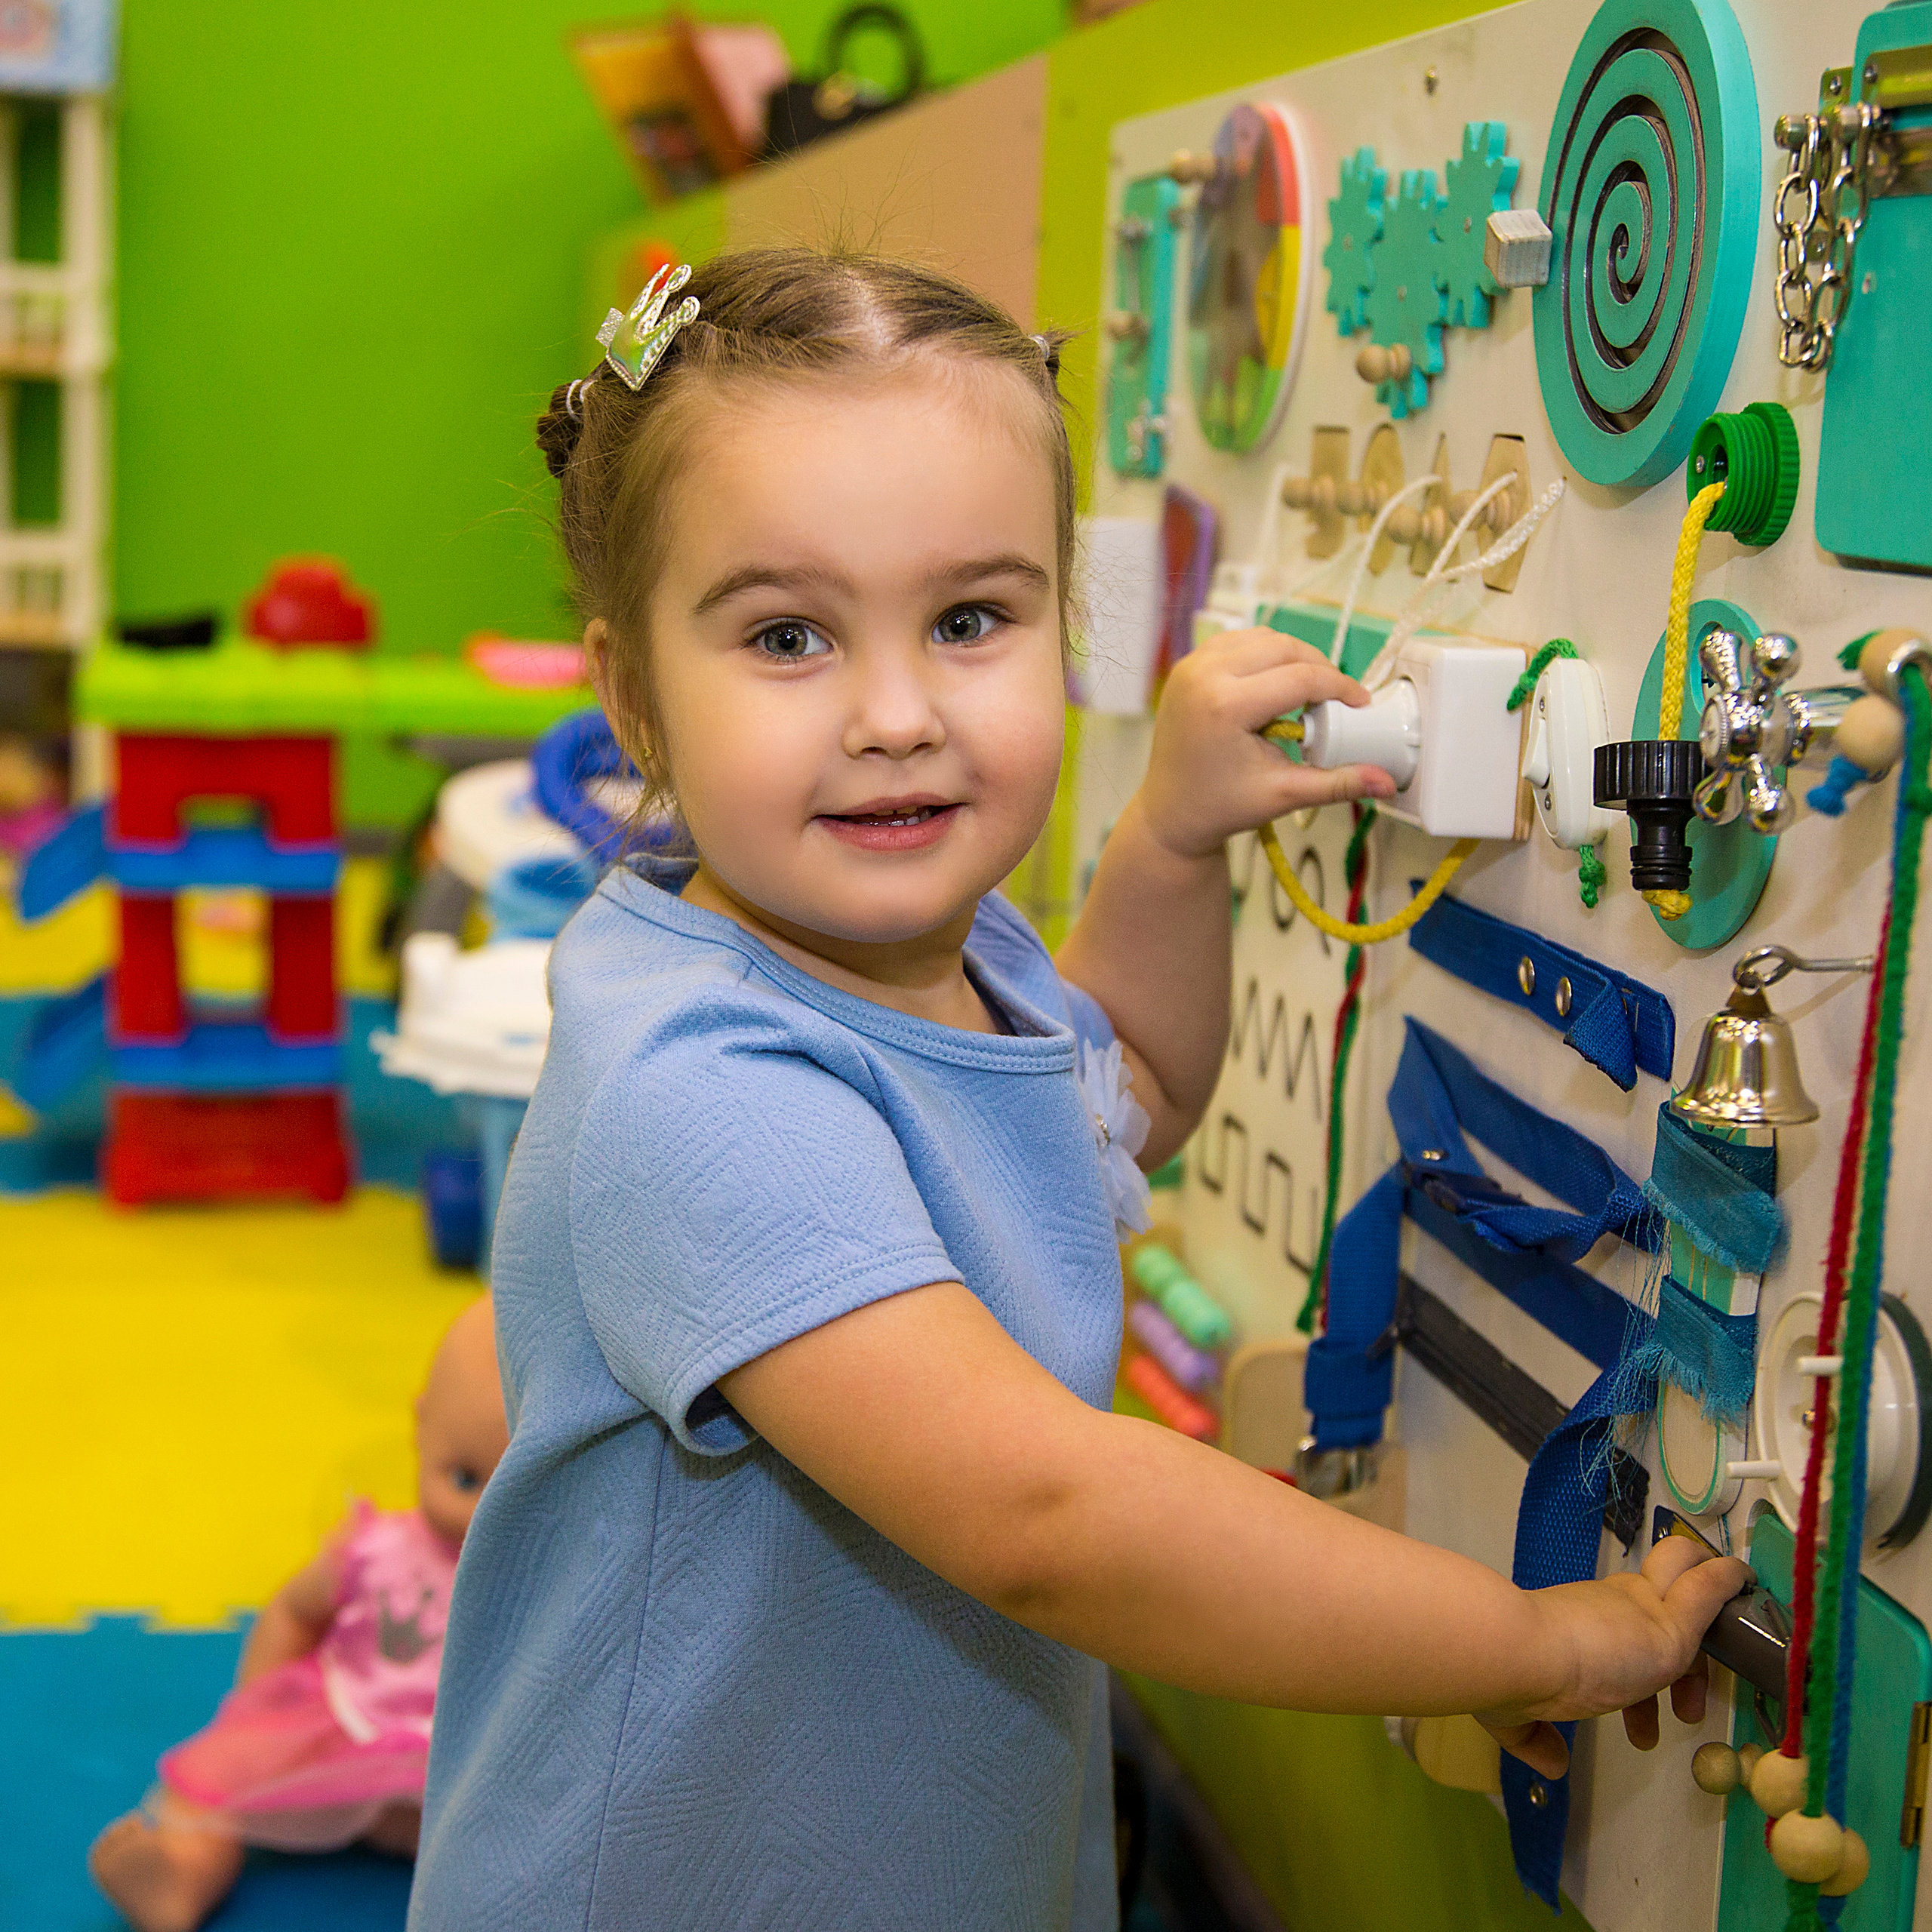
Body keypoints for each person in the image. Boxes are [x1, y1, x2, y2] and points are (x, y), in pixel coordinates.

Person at [409, 251, 1747, 1931]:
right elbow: (1047, 1513)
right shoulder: (700, 1086)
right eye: (788, 635)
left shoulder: (940, 948)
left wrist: (1169, 838)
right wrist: (1531, 1638)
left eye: (970, 619)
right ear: (631, 696)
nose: (896, 714)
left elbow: (1127, 1097)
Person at [91, 1298, 509, 1932]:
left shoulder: (542, 1576)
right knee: (211, 1790)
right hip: (342, 1730)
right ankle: (182, 1874)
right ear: (421, 1427)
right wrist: (255, 1713)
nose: (482, 1516)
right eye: (465, 1480)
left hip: (455, 1768)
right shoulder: (370, 1548)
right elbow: (293, 1613)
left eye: (511, 1493)